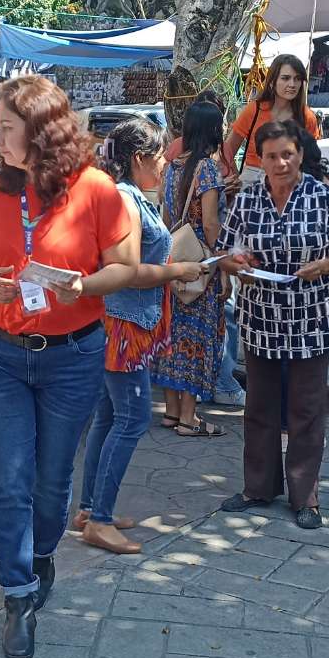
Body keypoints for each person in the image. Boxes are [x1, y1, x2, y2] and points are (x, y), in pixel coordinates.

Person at [0, 75, 137, 658]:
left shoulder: (98, 190)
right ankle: (17, 596)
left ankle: (42, 554)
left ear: (38, 129)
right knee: (8, 481)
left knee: (51, 486)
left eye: (5, 126)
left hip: (73, 358)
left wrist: (84, 283)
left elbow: (125, 268)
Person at [216, 120, 329, 530]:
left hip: (311, 315)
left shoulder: (322, 194)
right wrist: (236, 263)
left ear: (300, 154)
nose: (281, 163)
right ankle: (258, 487)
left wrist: (325, 265)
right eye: (272, 156)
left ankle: (305, 495)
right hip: (260, 316)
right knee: (259, 405)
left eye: (288, 154)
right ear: (261, 157)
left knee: (306, 408)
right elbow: (225, 250)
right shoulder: (247, 200)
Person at [75, 118, 206, 556]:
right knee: (130, 418)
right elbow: (127, 273)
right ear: (138, 159)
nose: (166, 164)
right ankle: (99, 519)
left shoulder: (130, 197)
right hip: (123, 324)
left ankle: (91, 509)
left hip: (126, 321)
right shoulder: (126, 201)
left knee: (111, 416)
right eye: (160, 157)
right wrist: (178, 270)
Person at [152, 101, 230, 437]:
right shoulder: (208, 170)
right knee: (198, 337)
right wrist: (222, 263)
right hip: (200, 264)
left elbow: (167, 219)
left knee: (173, 336)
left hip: (174, 259)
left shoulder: (170, 168)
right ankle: (189, 418)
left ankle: (170, 413)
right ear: (213, 129)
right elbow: (211, 223)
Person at [221, 54, 322, 185]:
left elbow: (312, 159)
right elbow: (227, 151)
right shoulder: (254, 110)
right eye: (285, 78)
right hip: (253, 180)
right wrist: (236, 179)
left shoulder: (307, 117)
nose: (292, 84)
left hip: (292, 183)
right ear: (272, 81)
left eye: (297, 79)